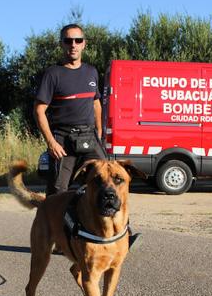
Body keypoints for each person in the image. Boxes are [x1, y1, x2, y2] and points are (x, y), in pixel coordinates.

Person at [34, 23, 141, 248]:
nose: (73, 45)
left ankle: (124, 235)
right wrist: (51, 142)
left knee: (111, 180)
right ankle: (61, 239)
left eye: (77, 41)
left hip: (89, 136)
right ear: (61, 44)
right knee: (58, 193)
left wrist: (99, 134)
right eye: (68, 41)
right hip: (62, 139)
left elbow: (96, 104)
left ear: (84, 44)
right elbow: (39, 110)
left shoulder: (91, 72)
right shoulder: (53, 74)